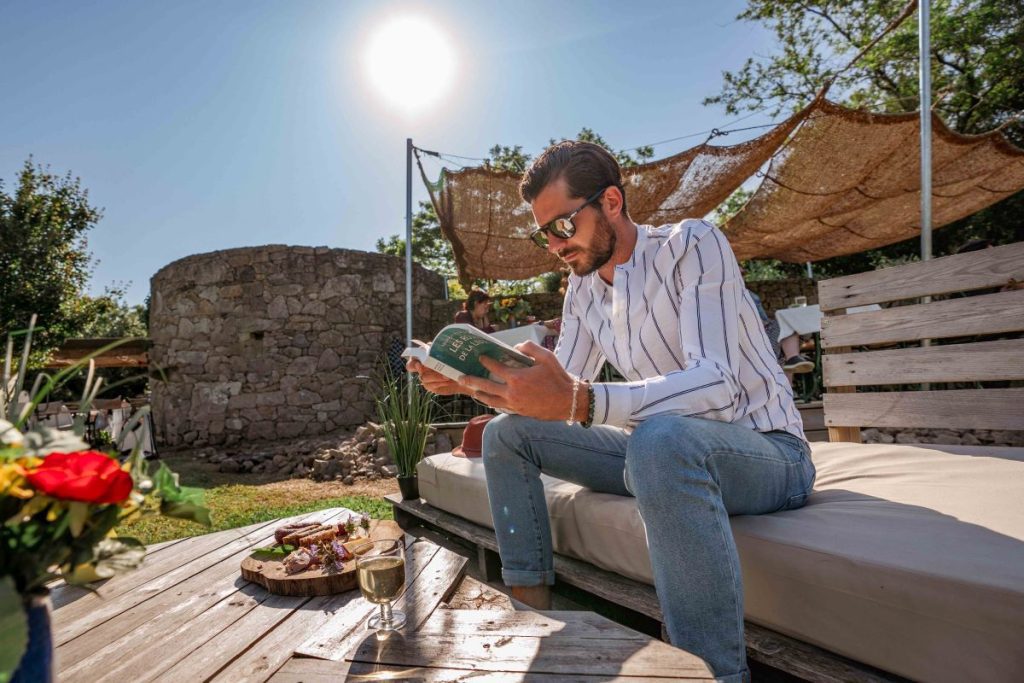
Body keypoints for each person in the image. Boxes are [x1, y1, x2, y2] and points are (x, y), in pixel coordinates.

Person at [408, 141, 811, 682]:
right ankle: (534, 619)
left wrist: (582, 400)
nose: (554, 245)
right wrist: (468, 381)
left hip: (766, 451)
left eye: (564, 225)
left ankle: (712, 674)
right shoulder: (581, 290)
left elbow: (718, 385)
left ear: (613, 202)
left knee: (660, 442)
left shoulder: (691, 245)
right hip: (656, 451)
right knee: (509, 435)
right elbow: (556, 394)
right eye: (543, 232)